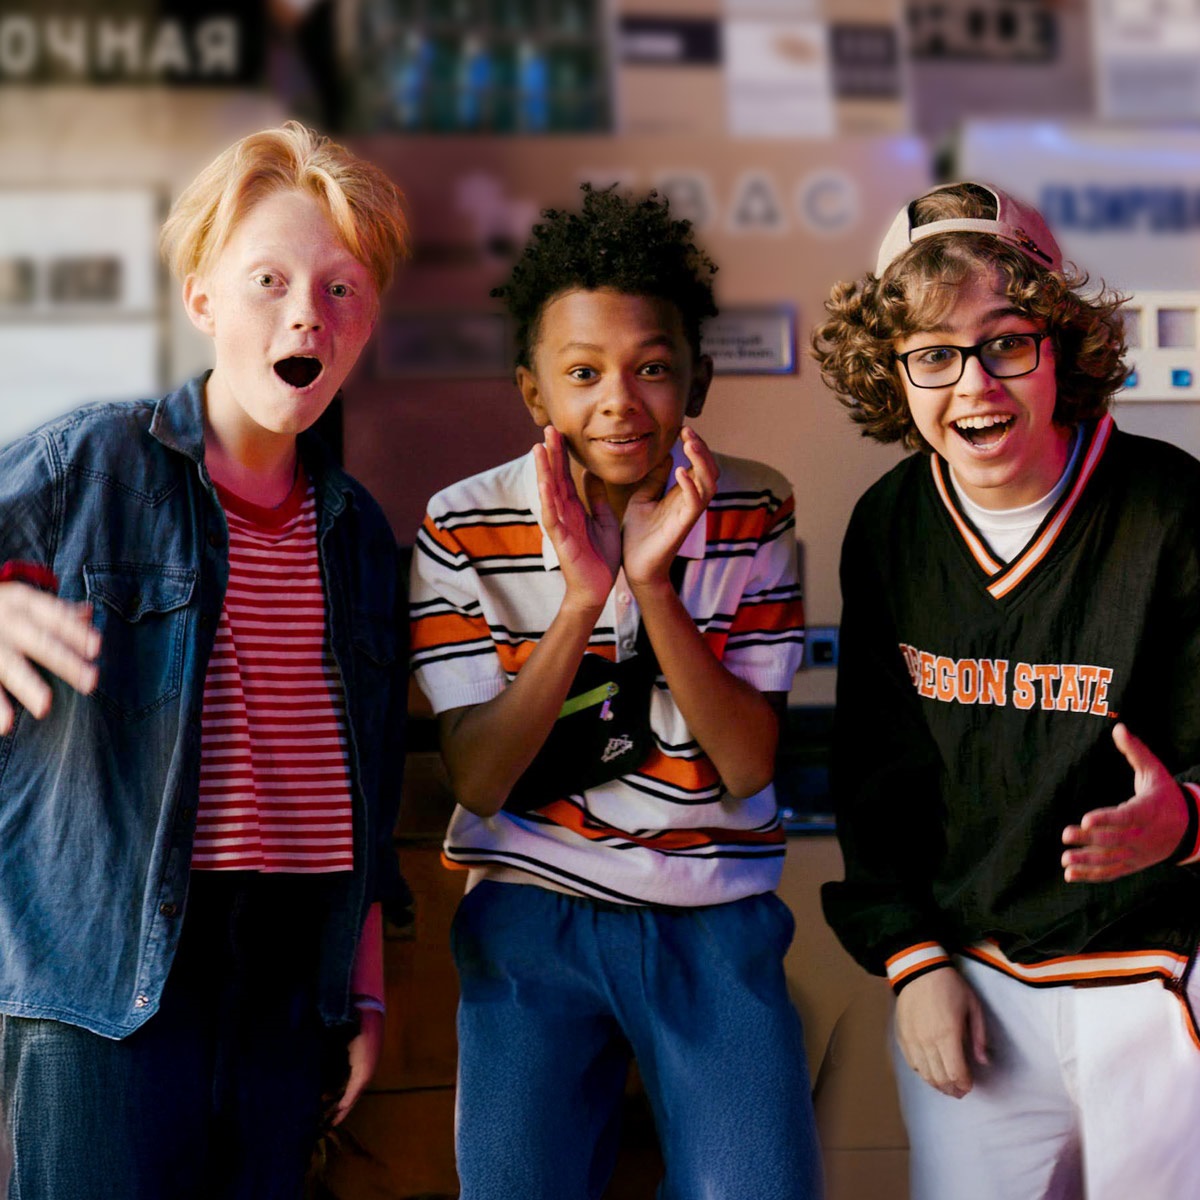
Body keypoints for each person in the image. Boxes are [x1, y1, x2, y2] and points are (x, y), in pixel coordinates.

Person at [0, 122, 411, 1199]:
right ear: (203, 302)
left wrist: (360, 989)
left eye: (341, 290)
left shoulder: (360, 533)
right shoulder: (85, 465)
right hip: (113, 976)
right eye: (268, 279)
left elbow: (368, 773)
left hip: (292, 984)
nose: (304, 315)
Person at [409, 184, 822, 1200]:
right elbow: (481, 778)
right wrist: (581, 603)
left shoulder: (753, 509)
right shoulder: (463, 526)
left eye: (652, 369)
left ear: (697, 379)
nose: (619, 402)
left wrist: (652, 584)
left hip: (712, 918)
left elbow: (746, 764)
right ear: (534, 392)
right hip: (529, 913)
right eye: (583, 372)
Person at [812, 180, 1200, 1199]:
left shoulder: (1174, 509)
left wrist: (1186, 821)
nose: (974, 384)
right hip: (969, 979)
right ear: (892, 374)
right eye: (934, 354)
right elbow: (877, 779)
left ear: (1060, 346)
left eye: (1006, 342)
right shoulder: (892, 524)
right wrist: (913, 962)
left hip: (1160, 965)